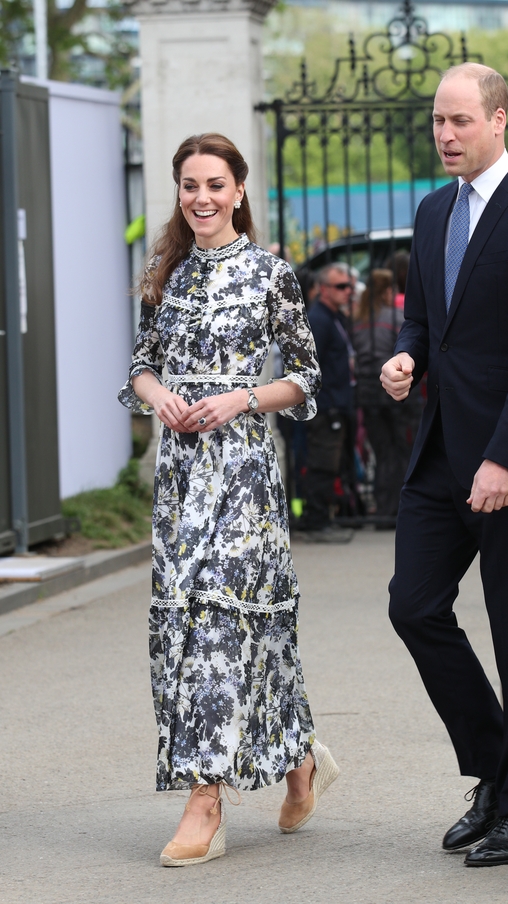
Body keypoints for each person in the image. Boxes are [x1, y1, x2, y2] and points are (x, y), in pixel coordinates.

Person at [118, 133, 339, 867]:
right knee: (222, 628)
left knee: (219, 625)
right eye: (189, 185)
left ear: (240, 190)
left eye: (215, 183)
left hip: (243, 478)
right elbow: (141, 366)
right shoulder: (165, 274)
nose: (202, 197)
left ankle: (205, 798)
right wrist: (162, 399)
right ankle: (301, 757)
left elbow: (306, 380)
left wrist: (240, 398)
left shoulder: (272, 275)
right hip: (181, 479)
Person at [381, 63, 508, 867]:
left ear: (501, 121)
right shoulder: (432, 213)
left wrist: (502, 457)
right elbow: (423, 323)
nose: (445, 134)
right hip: (440, 454)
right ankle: (497, 770)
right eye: (437, 120)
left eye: (460, 120)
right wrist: (404, 359)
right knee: (414, 606)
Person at [352, 269, 416, 520]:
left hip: (367, 391)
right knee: (403, 448)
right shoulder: (396, 317)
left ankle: (383, 507)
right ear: (387, 291)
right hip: (395, 389)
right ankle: (400, 507)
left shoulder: (358, 320)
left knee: (381, 451)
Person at [299, 262, 355, 541]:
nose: (348, 292)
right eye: (341, 286)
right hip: (326, 405)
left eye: (350, 286)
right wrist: (327, 400)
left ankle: (326, 516)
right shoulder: (319, 319)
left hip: (339, 402)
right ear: (323, 289)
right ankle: (316, 519)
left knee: (334, 462)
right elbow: (311, 364)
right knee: (322, 462)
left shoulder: (336, 317)